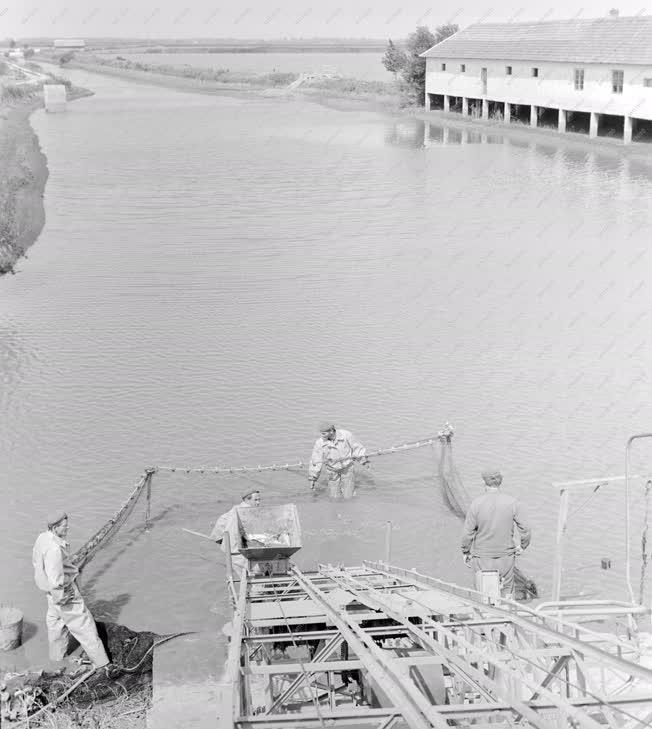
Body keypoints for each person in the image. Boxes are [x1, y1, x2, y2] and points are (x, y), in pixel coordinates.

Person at [32, 512, 115, 674]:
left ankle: (57, 660)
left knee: (55, 625)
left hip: (49, 592)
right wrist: (62, 597)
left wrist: (54, 594)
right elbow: (57, 580)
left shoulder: (42, 538)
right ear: (55, 528)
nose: (68, 527)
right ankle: (103, 665)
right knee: (84, 625)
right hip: (62, 592)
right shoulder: (55, 549)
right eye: (65, 525)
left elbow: (37, 564)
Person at [460, 470, 531, 599]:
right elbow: (525, 529)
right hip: (506, 556)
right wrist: (523, 546)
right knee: (507, 592)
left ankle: (486, 615)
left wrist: (465, 551)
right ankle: (506, 615)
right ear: (500, 482)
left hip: (482, 557)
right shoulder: (513, 502)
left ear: (483, 482)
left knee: (483, 592)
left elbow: (467, 533)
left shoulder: (476, 504)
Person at [308, 422, 369, 499]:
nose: (321, 436)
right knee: (334, 497)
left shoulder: (346, 435)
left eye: (323, 433)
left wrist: (364, 461)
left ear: (331, 431)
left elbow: (357, 448)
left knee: (348, 496)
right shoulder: (320, 442)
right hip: (332, 471)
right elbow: (316, 460)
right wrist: (313, 478)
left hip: (347, 469)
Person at [209, 490, 261, 574]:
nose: (258, 503)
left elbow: (222, 520)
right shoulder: (247, 511)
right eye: (256, 500)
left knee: (245, 579)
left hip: (230, 551)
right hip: (239, 553)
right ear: (247, 500)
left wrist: (220, 539)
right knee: (254, 576)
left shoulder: (236, 508)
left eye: (259, 500)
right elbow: (249, 534)